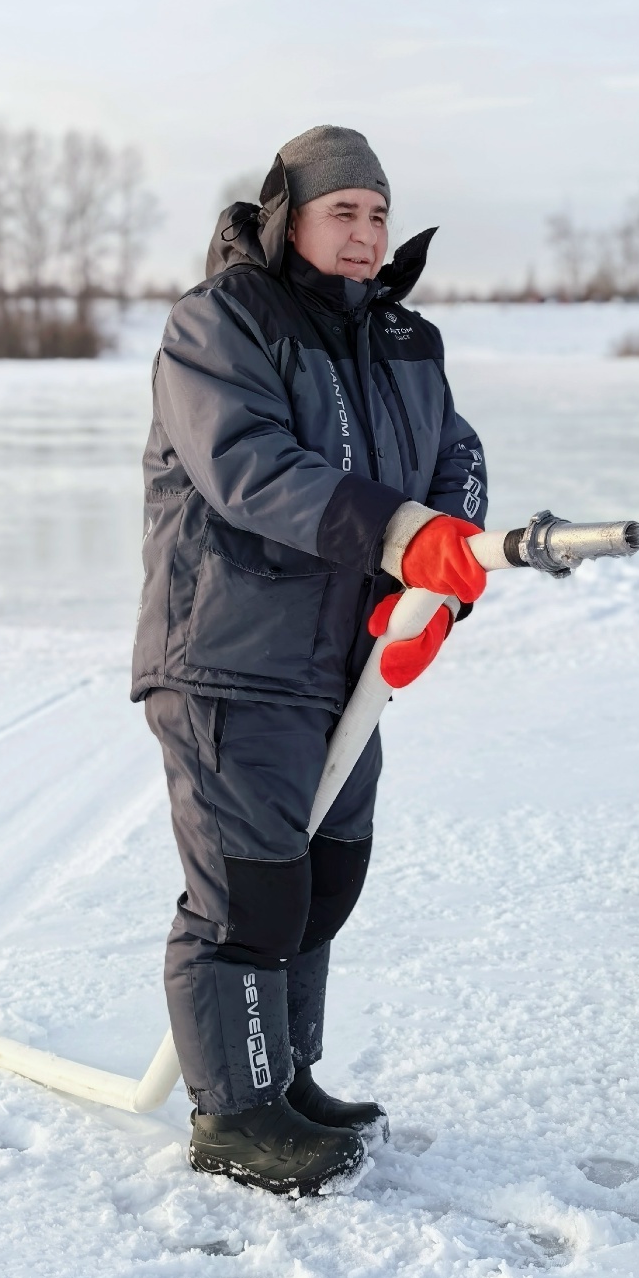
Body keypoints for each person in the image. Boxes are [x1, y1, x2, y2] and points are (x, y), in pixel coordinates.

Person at [132, 125, 488, 1196]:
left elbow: (454, 459)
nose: (369, 233)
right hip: (233, 656)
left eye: (379, 213)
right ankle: (235, 1115)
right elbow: (250, 469)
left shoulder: (403, 341)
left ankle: (285, 1080)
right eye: (346, 212)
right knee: (252, 895)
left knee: (327, 877)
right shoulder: (221, 325)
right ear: (288, 215)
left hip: (346, 664)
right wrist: (398, 535)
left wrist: (436, 584)